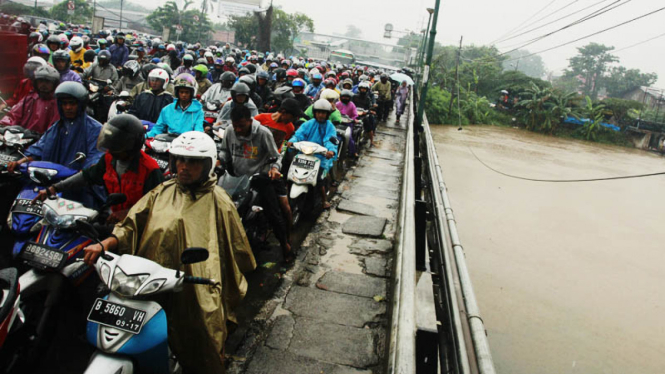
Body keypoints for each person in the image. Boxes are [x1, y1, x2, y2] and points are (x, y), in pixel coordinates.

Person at [82, 131, 255, 374]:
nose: (184, 167)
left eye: (193, 161)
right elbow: (132, 224)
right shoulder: (162, 191)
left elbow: (235, 252)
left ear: (207, 164)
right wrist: (107, 243)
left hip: (195, 286)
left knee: (203, 338)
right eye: (180, 160)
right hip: (149, 279)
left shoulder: (220, 201)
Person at [32, 114, 163, 224]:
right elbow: (87, 176)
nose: (111, 150)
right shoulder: (109, 159)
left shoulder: (150, 170)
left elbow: (157, 206)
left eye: (117, 146)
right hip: (111, 217)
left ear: (131, 146)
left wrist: (127, 213)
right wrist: (54, 188)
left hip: (135, 225)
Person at [6, 81, 105, 207]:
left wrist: (80, 174)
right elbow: (38, 150)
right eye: (64, 103)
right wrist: (19, 162)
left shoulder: (95, 129)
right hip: (49, 182)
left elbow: (95, 162)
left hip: (78, 188)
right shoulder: (56, 127)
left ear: (81, 104)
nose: (68, 107)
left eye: (72, 103)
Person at [220, 105, 293, 261]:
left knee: (274, 213)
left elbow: (276, 156)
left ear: (249, 121)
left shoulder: (263, 133)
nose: (238, 130)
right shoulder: (229, 131)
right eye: (235, 126)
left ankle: (285, 246)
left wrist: (274, 168)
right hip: (236, 178)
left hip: (259, 178)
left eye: (242, 126)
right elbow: (225, 150)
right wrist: (220, 161)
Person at [286, 99, 337, 209]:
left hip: (320, 157)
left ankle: (324, 201)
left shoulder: (330, 126)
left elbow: (329, 140)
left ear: (327, 114)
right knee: (289, 176)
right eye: (318, 112)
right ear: (314, 113)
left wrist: (330, 151)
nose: (320, 115)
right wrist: (292, 141)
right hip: (303, 155)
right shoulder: (308, 124)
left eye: (323, 113)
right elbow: (299, 135)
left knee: (318, 180)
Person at [0, 65, 60, 134]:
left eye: (47, 82)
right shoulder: (30, 98)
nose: (43, 85)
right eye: (40, 81)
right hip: (21, 137)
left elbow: (55, 127)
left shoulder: (57, 103)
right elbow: (14, 115)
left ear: (54, 84)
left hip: (42, 140)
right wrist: (3, 125)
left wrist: (40, 136)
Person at [147, 73, 203, 138]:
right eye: (181, 92)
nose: (184, 95)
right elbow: (158, 129)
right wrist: (145, 136)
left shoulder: (198, 111)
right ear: (177, 93)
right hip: (169, 142)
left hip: (188, 142)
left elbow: (199, 131)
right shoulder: (167, 109)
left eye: (187, 92)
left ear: (192, 93)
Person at [353, 81, 377, 147]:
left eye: (364, 89)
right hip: (355, 114)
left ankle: (372, 141)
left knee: (369, 125)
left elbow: (369, 107)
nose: (363, 90)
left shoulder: (368, 99)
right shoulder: (354, 97)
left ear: (367, 90)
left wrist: (369, 111)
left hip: (364, 115)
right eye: (362, 88)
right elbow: (351, 105)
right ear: (359, 89)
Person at [336, 89, 358, 158]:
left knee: (349, 138)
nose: (345, 98)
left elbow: (355, 114)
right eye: (343, 97)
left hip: (348, 123)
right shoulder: (337, 104)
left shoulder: (352, 105)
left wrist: (353, 120)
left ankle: (353, 152)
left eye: (347, 97)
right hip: (338, 123)